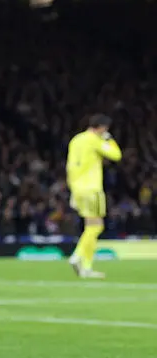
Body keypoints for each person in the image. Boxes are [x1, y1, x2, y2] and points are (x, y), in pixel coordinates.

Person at [66, 114, 121, 279]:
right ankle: (77, 256)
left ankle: (87, 268)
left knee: (91, 226)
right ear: (102, 127)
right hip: (92, 188)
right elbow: (116, 155)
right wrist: (109, 139)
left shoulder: (75, 140)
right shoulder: (95, 140)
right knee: (97, 226)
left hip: (77, 188)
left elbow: (70, 166)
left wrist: (72, 191)